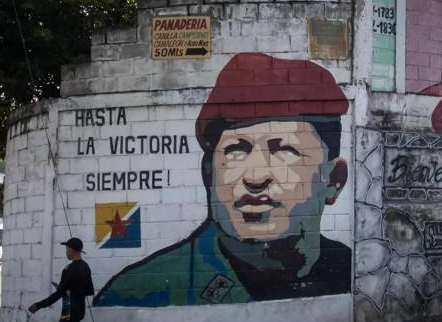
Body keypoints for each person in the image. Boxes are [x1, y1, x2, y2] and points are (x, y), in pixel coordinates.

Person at [94, 53, 352, 307]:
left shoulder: (353, 271)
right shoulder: (140, 293)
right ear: (210, 173)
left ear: (333, 180)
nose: (254, 176)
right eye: (236, 151)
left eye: (284, 150)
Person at [28, 238, 107, 322]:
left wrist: (38, 305)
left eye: (66, 249)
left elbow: (57, 295)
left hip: (69, 312)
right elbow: (88, 290)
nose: (66, 252)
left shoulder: (68, 269)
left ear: (72, 250)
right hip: (79, 311)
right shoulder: (85, 266)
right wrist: (67, 289)